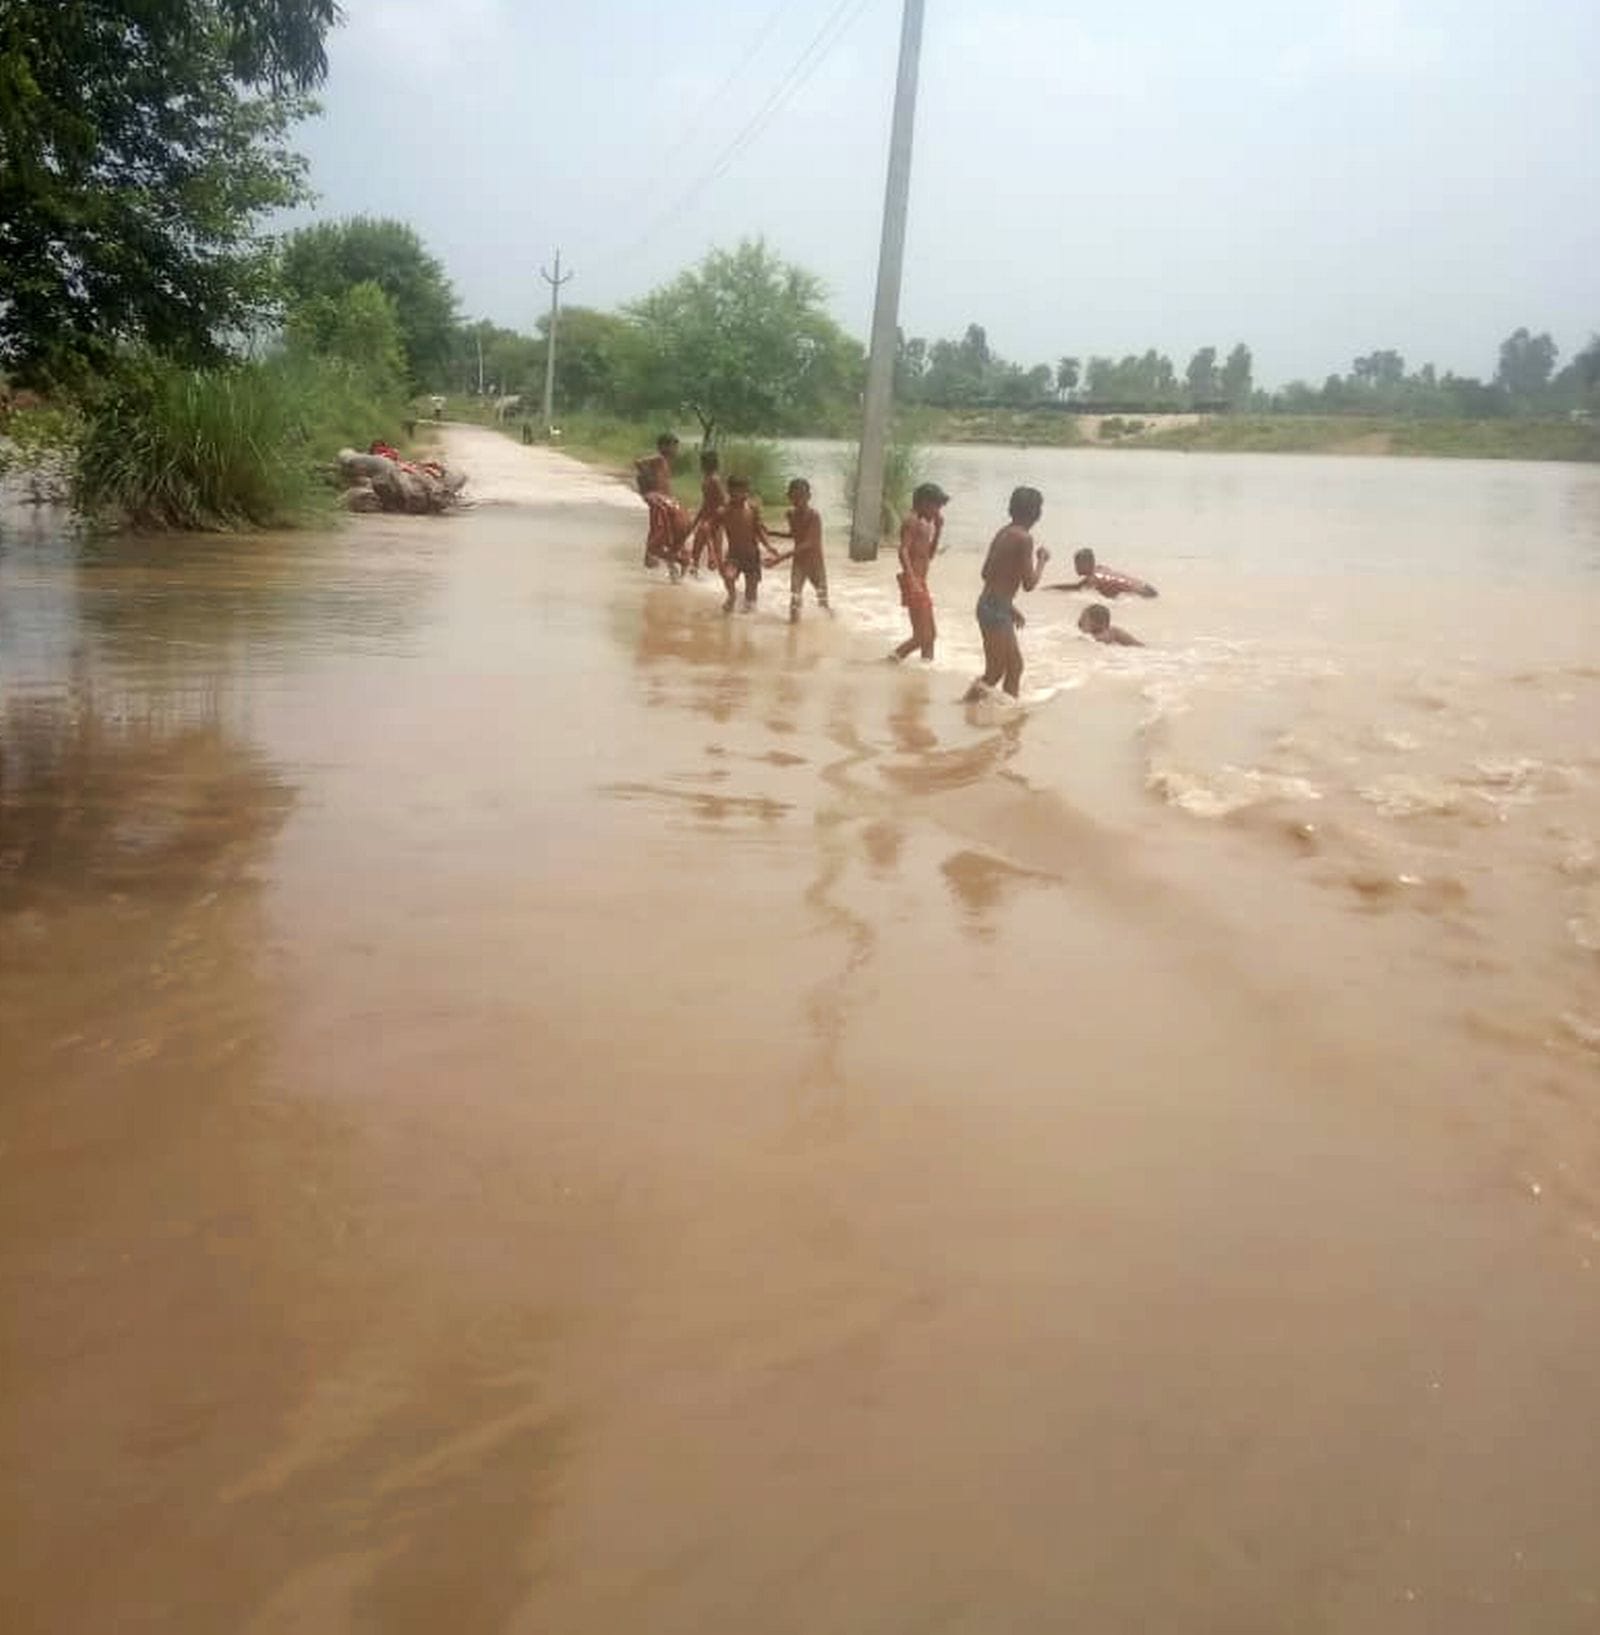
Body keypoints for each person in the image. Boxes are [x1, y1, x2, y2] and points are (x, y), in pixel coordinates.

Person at [964, 486, 1050, 700]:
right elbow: (1029, 584)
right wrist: (1041, 561)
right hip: (995, 608)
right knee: (995, 672)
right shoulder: (1024, 539)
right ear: (1036, 513)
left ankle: (1009, 715)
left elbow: (986, 574)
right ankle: (963, 708)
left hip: (991, 604)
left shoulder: (1004, 532)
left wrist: (1009, 606)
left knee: (1015, 667)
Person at [891, 482, 950, 663]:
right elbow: (903, 551)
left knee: (930, 636)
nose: (938, 512)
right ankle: (888, 662)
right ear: (924, 503)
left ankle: (925, 671)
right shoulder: (912, 521)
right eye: (936, 506)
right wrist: (913, 581)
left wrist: (939, 530)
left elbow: (929, 556)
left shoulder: (925, 525)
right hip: (914, 582)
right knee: (923, 636)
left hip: (920, 582)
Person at [769, 478, 829, 622]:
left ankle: (832, 626)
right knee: (795, 599)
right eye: (794, 497)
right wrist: (771, 533)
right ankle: (793, 633)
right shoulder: (790, 515)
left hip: (815, 565)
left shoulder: (814, 516)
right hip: (799, 564)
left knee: (823, 603)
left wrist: (780, 558)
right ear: (789, 497)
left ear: (808, 497)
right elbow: (794, 535)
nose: (798, 500)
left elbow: (808, 543)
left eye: (801, 496)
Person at [720, 476, 778, 613]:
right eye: (734, 492)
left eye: (742, 492)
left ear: (747, 492)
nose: (738, 495)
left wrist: (768, 546)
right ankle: (732, 596)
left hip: (752, 556)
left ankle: (748, 622)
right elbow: (712, 527)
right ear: (729, 492)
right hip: (733, 554)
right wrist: (711, 551)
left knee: (751, 596)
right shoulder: (725, 511)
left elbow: (758, 531)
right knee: (728, 577)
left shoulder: (752, 509)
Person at [1051, 547, 1158, 598]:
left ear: (1087, 563)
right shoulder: (1101, 568)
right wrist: (1051, 588)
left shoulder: (1092, 580)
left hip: (1142, 593)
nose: (1075, 567)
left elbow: (1082, 592)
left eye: (1077, 564)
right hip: (1147, 587)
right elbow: (1077, 587)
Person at [687, 449, 729, 577]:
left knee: (716, 556)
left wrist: (714, 520)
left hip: (715, 521)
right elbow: (706, 503)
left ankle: (726, 582)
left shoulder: (715, 480)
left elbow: (723, 502)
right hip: (706, 519)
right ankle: (691, 579)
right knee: (696, 552)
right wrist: (695, 522)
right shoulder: (706, 480)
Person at [1078, 603, 1144, 646]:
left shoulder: (1103, 635)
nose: (1079, 622)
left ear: (1095, 623)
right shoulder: (1114, 630)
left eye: (1083, 619)